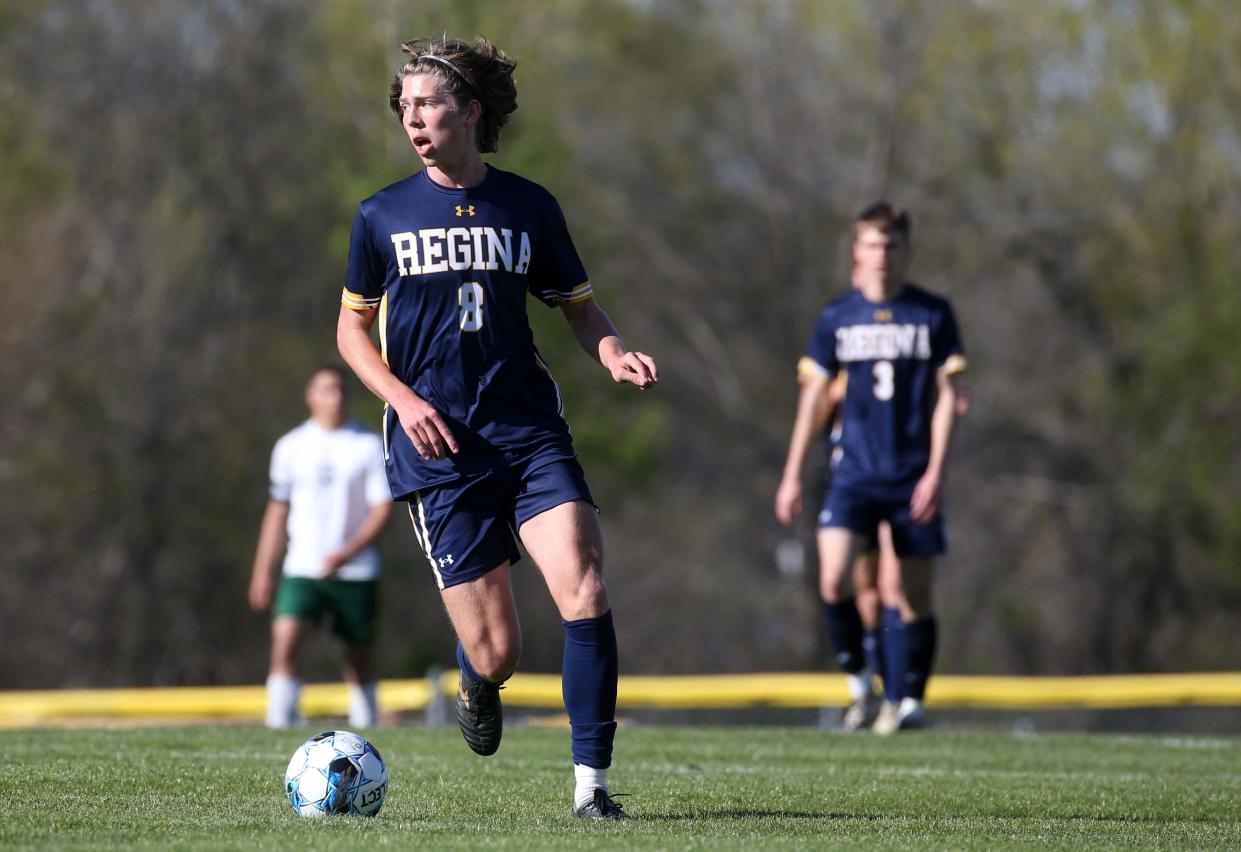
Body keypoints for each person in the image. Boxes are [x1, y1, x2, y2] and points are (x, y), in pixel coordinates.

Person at [336, 36, 657, 820]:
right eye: (404, 106)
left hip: (527, 433)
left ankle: (592, 789)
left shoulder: (529, 205)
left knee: (583, 584)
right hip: (437, 447)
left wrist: (610, 350)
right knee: (497, 650)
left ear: (469, 112)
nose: (411, 117)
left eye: (427, 103)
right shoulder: (380, 215)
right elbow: (350, 333)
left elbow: (578, 306)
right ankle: (477, 680)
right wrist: (405, 402)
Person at [775, 201, 966, 733]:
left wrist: (936, 472)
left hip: (912, 476)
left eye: (892, 245)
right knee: (834, 579)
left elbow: (951, 395)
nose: (882, 255)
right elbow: (813, 398)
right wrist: (793, 472)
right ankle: (861, 685)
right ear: (857, 251)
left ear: (907, 250)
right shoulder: (838, 317)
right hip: (853, 474)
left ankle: (910, 703)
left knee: (912, 595)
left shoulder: (932, 313)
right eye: (873, 245)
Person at [248, 365, 394, 729]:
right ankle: (278, 725)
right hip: (303, 568)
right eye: (328, 390)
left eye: (342, 390)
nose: (337, 397)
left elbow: (382, 509)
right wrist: (262, 571)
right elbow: (277, 512)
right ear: (310, 396)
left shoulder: (369, 445)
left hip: (356, 570)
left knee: (358, 658)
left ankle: (366, 729)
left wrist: (348, 551)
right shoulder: (290, 447)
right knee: (284, 645)